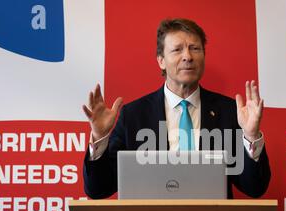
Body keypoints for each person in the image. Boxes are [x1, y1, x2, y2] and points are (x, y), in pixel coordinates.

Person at [82, 18, 271, 199]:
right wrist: (99, 138)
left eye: (195, 48)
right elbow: (98, 189)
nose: (188, 57)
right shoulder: (134, 115)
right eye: (177, 50)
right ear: (161, 60)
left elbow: (254, 188)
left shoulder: (229, 112)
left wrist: (251, 136)